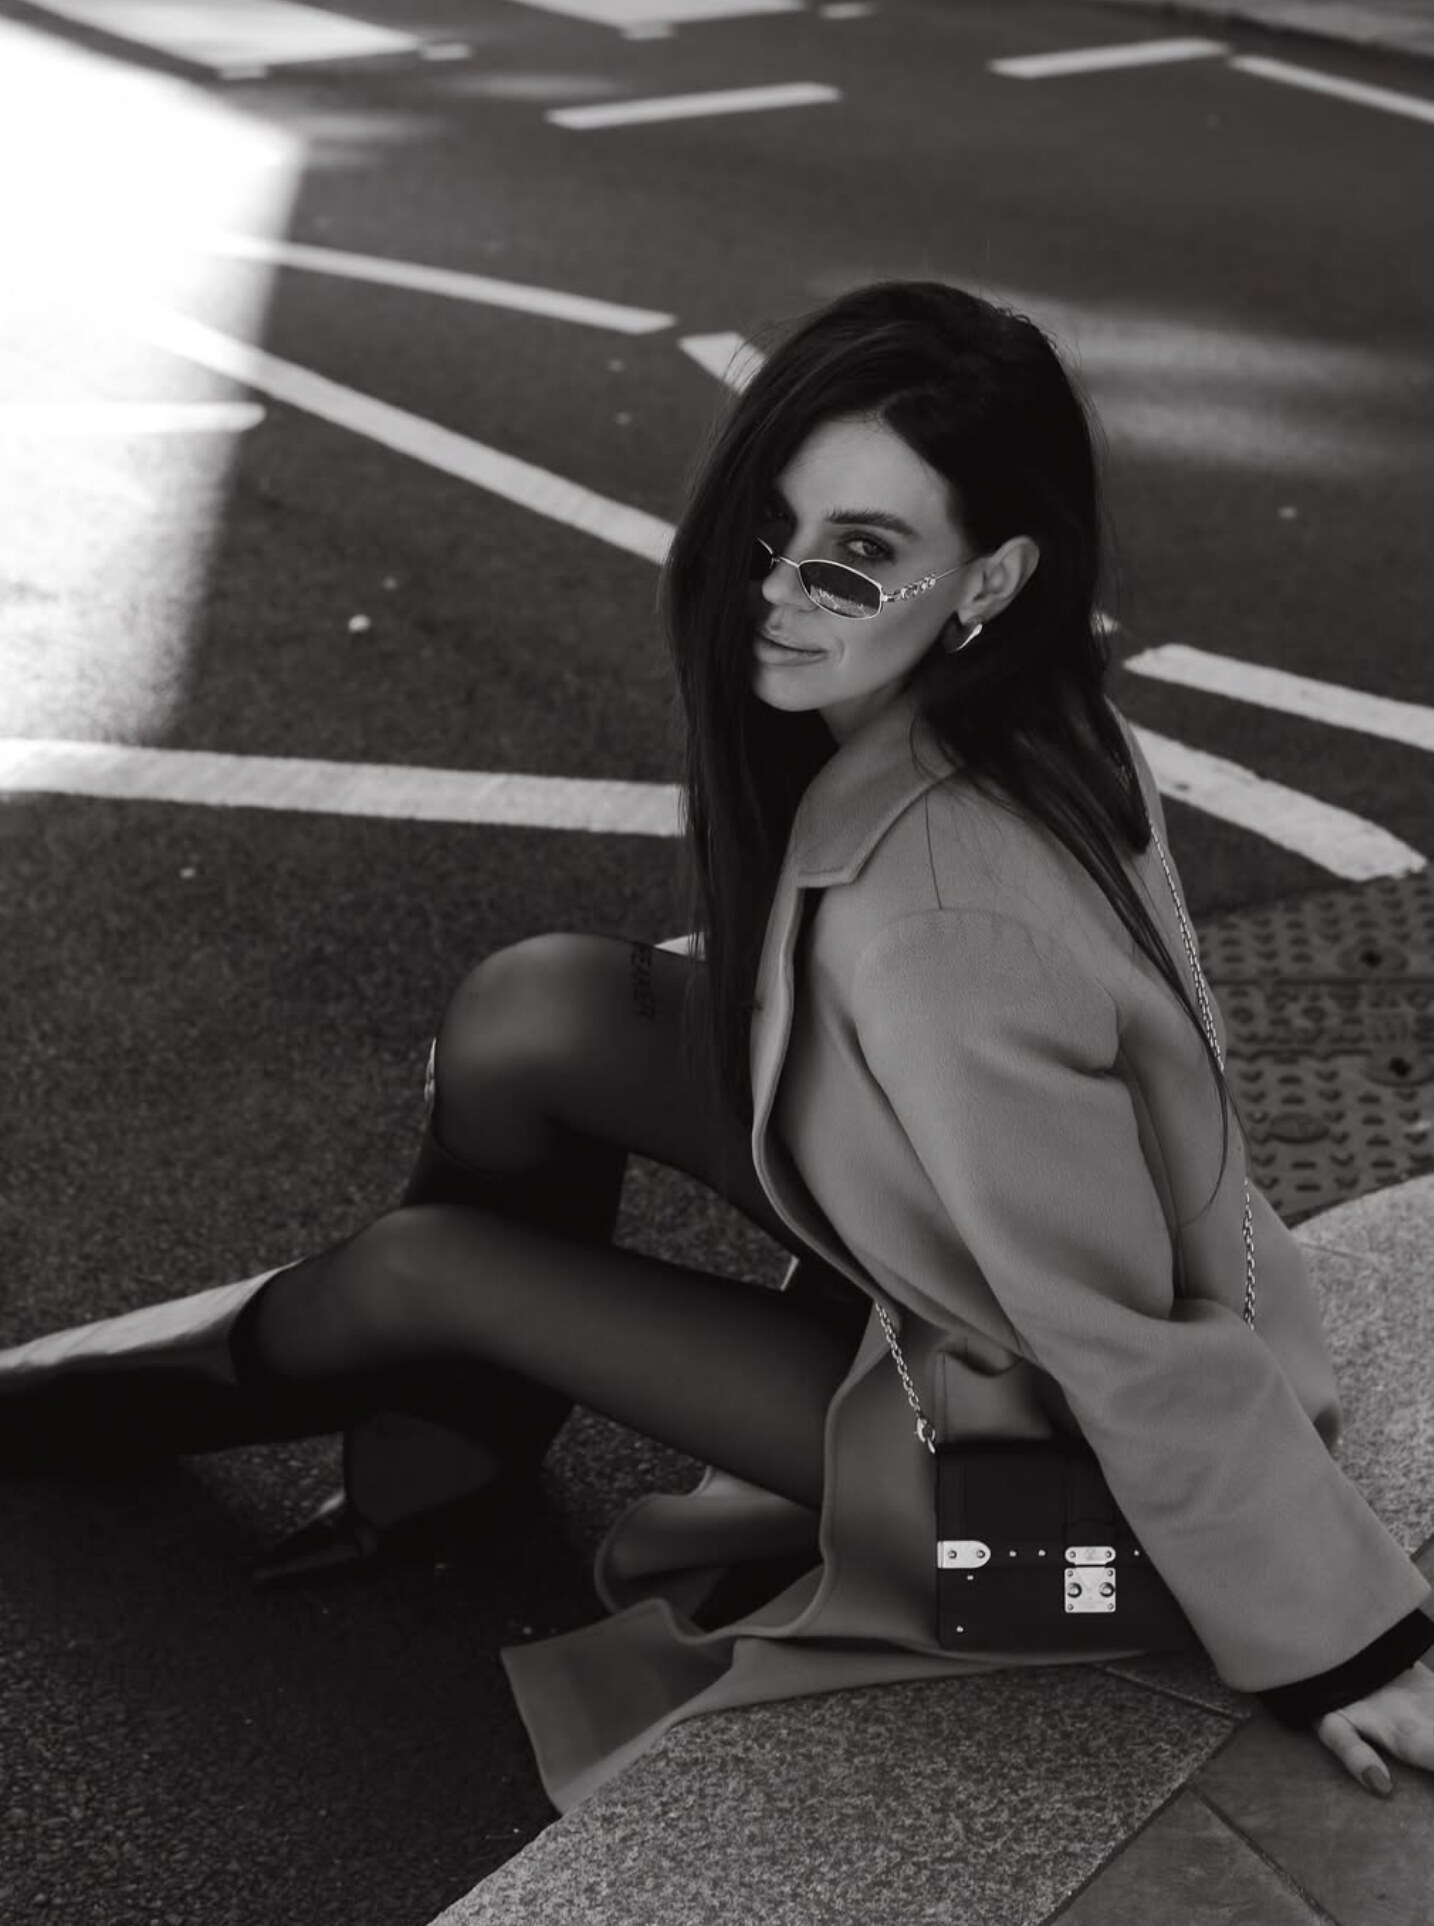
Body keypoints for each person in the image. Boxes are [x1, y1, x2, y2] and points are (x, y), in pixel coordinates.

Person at [4, 281, 1432, 1815]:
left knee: (428, 1271)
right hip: (963, 1302)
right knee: (532, 1007)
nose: (778, 589)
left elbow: (1107, 1323)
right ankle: (451, 1445)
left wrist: (1339, 1642)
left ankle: (47, 1406)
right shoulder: (1017, 709)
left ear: (990, 575)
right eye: (770, 528)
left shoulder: (948, 917)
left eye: (857, 557)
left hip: (1044, 1502)